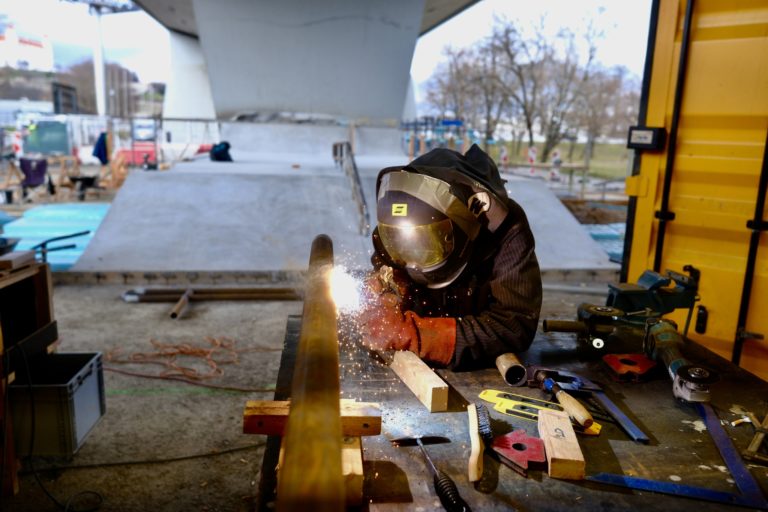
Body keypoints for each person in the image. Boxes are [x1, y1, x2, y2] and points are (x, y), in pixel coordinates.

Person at [358, 144, 542, 370]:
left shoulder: (507, 229)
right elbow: (383, 276)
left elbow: (515, 325)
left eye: (427, 242)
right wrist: (384, 299)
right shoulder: (394, 228)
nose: (414, 256)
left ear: (463, 223)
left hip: (476, 356)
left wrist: (414, 335)